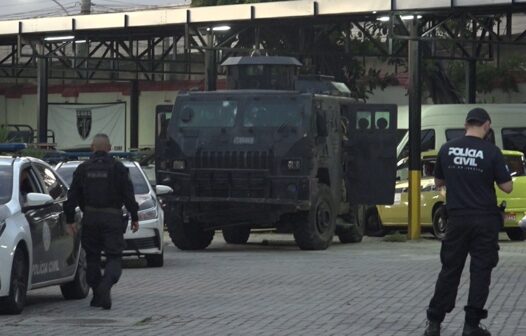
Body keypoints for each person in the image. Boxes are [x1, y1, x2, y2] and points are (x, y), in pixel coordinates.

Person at [423, 108, 513, 336]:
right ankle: (471, 326)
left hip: (457, 219)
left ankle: (434, 323)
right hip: (484, 220)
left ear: (466, 125)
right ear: (486, 126)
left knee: (450, 269)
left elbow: (439, 180)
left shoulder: (446, 149)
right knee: (481, 271)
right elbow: (507, 187)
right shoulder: (492, 152)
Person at [64, 133, 139, 310]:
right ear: (110, 148)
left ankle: (98, 294)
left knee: (92, 258)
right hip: (112, 218)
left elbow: (72, 196)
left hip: (90, 218)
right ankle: (105, 286)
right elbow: (128, 195)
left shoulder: (83, 168)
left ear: (92, 147)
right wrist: (134, 216)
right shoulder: (118, 168)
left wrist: (69, 220)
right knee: (114, 257)